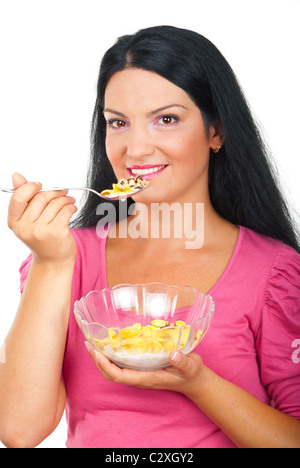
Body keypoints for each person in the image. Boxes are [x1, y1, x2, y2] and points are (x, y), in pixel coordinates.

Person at [0, 25, 299, 449]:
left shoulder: (273, 272)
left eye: (167, 119)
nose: (135, 149)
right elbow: (19, 430)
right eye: (118, 123)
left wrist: (198, 383)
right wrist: (51, 263)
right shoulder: (67, 257)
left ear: (216, 132)